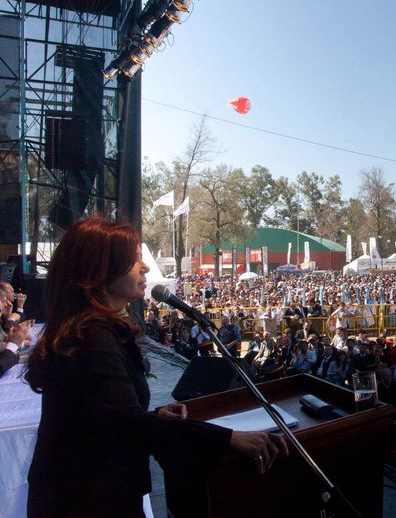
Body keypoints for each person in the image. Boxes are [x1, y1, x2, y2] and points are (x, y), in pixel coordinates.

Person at [25, 218, 288, 517]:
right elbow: (126, 426)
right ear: (101, 269)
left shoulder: (88, 328)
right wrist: (228, 438)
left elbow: (101, 417)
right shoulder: (92, 336)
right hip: (87, 500)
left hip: (82, 491)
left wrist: (153, 417)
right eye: (133, 259)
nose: (145, 267)